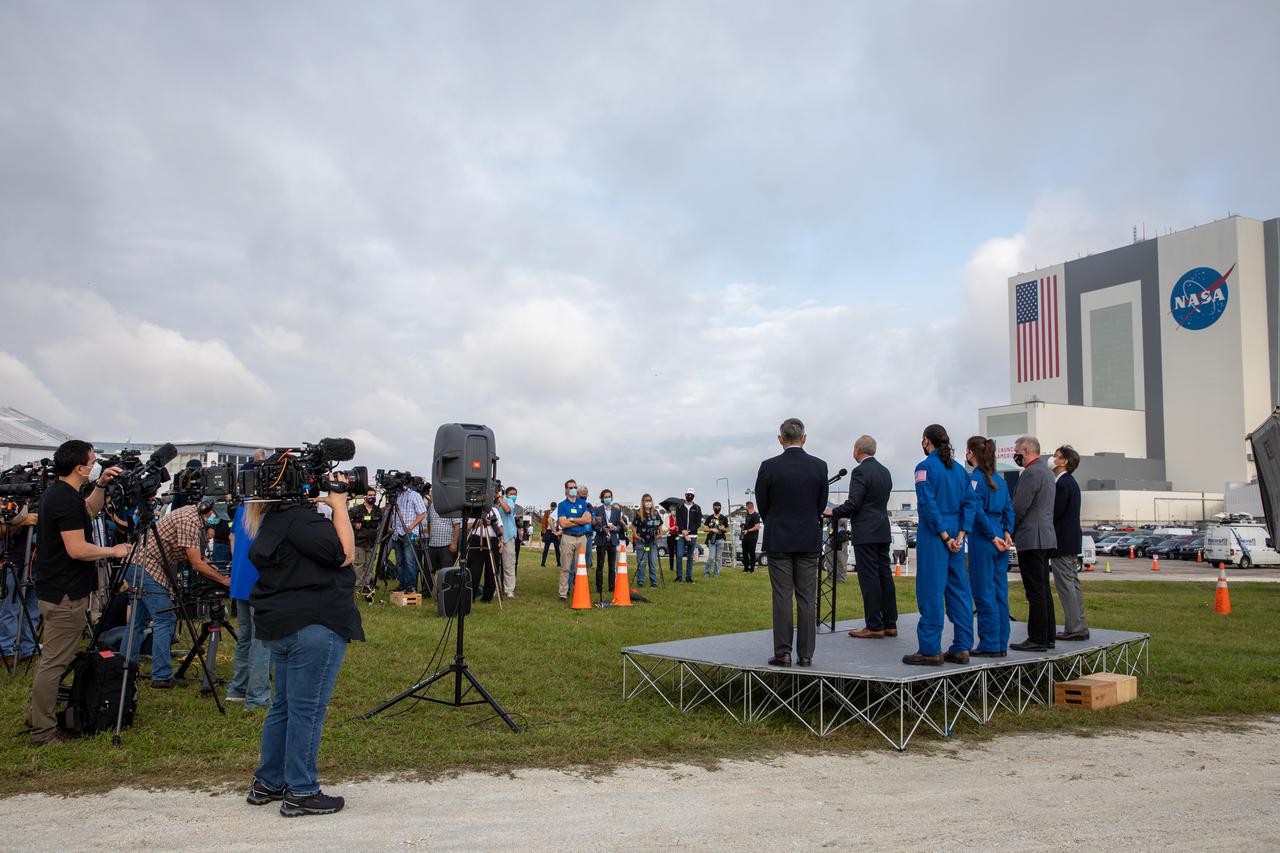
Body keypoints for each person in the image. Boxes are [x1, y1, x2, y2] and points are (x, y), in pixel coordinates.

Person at [245, 476, 362, 817]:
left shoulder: (273, 519)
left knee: (284, 706)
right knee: (306, 710)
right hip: (314, 625)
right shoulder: (302, 520)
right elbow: (345, 554)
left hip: (282, 625)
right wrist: (339, 506)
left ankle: (269, 781)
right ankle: (301, 790)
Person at [27, 440, 133, 746]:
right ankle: (41, 731)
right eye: (93, 461)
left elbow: (89, 509)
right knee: (54, 663)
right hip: (64, 593)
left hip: (57, 588)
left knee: (53, 659)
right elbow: (76, 549)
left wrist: (100, 484)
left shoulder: (62, 494)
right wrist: (113, 549)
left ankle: (39, 718)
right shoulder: (64, 500)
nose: (95, 464)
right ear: (79, 468)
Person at [118, 497, 232, 686]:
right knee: (165, 618)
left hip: (137, 565)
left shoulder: (191, 515)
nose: (215, 521)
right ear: (206, 510)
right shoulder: (189, 521)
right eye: (214, 516)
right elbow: (196, 563)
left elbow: (195, 557)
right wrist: (223, 579)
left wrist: (208, 566)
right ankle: (161, 676)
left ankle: (122, 669)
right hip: (146, 566)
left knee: (137, 621)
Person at [754, 418, 828, 667]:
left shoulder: (769, 467)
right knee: (807, 597)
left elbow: (762, 502)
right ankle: (806, 654)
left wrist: (775, 521)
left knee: (782, 597)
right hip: (808, 537)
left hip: (779, 538)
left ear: (780, 439)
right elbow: (820, 504)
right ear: (804, 438)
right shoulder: (819, 467)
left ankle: (783, 652)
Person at [904, 424, 974, 666]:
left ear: (926, 441)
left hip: (936, 535)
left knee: (931, 590)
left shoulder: (924, 468)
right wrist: (961, 534)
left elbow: (927, 505)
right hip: (957, 533)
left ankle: (930, 648)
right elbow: (970, 503)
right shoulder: (959, 471)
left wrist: (944, 536)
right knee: (959, 590)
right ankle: (963, 646)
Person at [825, 435, 897, 639]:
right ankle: (890, 622)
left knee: (869, 577)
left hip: (866, 531)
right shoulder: (885, 471)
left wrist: (834, 512)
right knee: (885, 575)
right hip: (882, 529)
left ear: (857, 450)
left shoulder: (860, 472)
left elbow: (854, 503)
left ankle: (874, 624)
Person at [961, 436, 1014, 657]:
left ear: (971, 453)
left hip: (985, 538)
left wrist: (992, 536)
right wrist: (1007, 532)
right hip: (1000, 534)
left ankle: (990, 643)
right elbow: (1009, 508)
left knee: (984, 592)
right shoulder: (1000, 481)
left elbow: (976, 510)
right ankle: (1002, 641)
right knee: (1000, 591)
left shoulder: (976, 478)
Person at [1010, 434, 1058, 652]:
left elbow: (1020, 506)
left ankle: (1037, 637)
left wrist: (1008, 530)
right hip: (1046, 536)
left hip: (1031, 537)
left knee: (1035, 591)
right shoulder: (1047, 473)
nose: (1015, 455)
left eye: (1017, 451)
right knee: (1044, 589)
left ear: (1026, 451)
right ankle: (1048, 635)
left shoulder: (1031, 473)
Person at [227, 502, 271, 708]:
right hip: (261, 582)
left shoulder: (243, 507)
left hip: (240, 580)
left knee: (244, 637)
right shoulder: (269, 509)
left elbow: (233, 538)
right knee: (261, 641)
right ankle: (257, 696)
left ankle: (238, 689)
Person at [1050, 445, 1089, 641]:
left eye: (1056, 456)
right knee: (1073, 584)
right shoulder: (1069, 482)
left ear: (1064, 461)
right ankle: (1079, 624)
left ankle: (1074, 627)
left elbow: (1054, 514)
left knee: (1066, 585)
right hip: (1071, 540)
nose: (1052, 459)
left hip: (1062, 541)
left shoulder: (1063, 484)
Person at [1, 508, 41, 668]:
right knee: (9, 608)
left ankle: (28, 649)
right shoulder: (12, 495)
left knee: (33, 610)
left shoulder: (51, 495)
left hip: (39, 560)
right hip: (13, 560)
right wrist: (22, 521)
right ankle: (6, 651)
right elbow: (3, 530)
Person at [556, 479, 592, 601]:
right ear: (566, 490)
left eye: (575, 487)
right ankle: (563, 593)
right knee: (566, 567)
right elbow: (563, 524)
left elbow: (587, 520)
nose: (573, 489)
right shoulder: (562, 505)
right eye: (570, 487)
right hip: (568, 537)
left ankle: (580, 591)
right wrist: (578, 520)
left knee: (580, 567)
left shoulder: (582, 503)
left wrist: (571, 519)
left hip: (582, 538)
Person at [389, 483, 428, 594]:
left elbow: (422, 513)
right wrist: (390, 526)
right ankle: (403, 584)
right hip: (397, 532)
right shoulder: (395, 495)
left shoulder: (415, 495)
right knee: (400, 560)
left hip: (410, 532)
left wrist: (411, 526)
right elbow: (393, 513)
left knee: (409, 559)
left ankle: (411, 586)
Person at [465, 500, 503, 602]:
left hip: (493, 541)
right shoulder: (475, 510)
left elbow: (500, 526)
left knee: (492, 570)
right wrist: (481, 522)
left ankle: (487, 597)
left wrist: (502, 541)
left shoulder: (494, 510)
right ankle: (470, 596)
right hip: (477, 540)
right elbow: (467, 526)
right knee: (474, 569)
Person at [349, 489, 382, 597]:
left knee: (369, 566)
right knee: (359, 566)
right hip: (359, 543)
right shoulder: (356, 510)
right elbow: (347, 521)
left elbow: (383, 522)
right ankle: (357, 589)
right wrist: (355, 525)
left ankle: (367, 587)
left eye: (374, 495)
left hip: (372, 543)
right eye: (370, 495)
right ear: (365, 497)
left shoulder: (378, 510)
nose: (372, 497)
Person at [424, 494, 461, 581]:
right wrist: (430, 536)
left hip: (446, 545)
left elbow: (457, 525)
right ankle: (426, 592)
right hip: (432, 544)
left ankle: (445, 591)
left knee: (446, 571)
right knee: (428, 570)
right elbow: (429, 522)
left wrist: (454, 544)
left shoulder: (451, 506)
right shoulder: (432, 505)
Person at [593, 489, 622, 594]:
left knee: (612, 566)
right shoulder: (598, 510)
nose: (607, 498)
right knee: (600, 565)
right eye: (605, 497)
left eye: (609, 496)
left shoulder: (617, 511)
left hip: (613, 541)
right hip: (601, 540)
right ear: (602, 499)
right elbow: (594, 526)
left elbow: (619, 526)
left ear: (612, 497)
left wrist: (615, 528)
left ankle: (611, 587)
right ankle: (599, 587)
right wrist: (601, 529)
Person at [631, 494, 663, 588]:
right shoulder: (638, 513)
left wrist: (660, 533)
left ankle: (654, 582)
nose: (648, 502)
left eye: (649, 500)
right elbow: (633, 525)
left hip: (652, 541)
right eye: (646, 500)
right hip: (641, 541)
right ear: (643, 501)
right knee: (642, 562)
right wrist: (635, 535)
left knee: (652, 562)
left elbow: (659, 524)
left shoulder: (655, 513)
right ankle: (640, 581)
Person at [495, 485, 519, 598]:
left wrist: (499, 498)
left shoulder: (508, 501)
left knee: (508, 564)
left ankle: (509, 589)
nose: (514, 496)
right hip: (496, 536)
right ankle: (497, 587)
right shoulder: (496, 503)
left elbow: (508, 510)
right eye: (512, 493)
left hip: (508, 537)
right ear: (506, 493)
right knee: (496, 565)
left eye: (515, 494)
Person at [674, 489, 702, 584]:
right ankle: (679, 576)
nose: (689, 496)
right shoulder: (680, 506)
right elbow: (678, 520)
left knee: (690, 556)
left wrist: (688, 532)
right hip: (681, 535)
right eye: (688, 494)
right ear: (685, 495)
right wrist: (684, 532)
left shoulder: (697, 508)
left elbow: (698, 523)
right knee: (679, 555)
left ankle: (688, 577)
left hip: (693, 536)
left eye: (691, 495)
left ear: (694, 496)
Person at [703, 502, 728, 578]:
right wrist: (712, 529)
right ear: (713, 508)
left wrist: (723, 528)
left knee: (718, 558)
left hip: (720, 539)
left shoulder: (724, 518)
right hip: (712, 539)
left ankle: (716, 573)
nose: (717, 508)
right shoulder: (709, 518)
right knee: (711, 557)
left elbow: (727, 529)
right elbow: (704, 528)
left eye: (718, 507)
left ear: (720, 508)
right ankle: (707, 573)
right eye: (715, 507)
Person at [577, 485, 595, 572]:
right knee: (578, 557)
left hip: (588, 535)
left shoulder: (589, 506)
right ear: (577, 494)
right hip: (578, 534)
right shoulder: (574, 505)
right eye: (582, 494)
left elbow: (593, 520)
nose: (584, 496)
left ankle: (585, 575)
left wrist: (596, 521)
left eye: (586, 494)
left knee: (588, 557)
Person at [740, 500, 761, 573]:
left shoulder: (756, 515)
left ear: (749, 506)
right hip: (745, 537)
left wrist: (748, 530)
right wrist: (743, 526)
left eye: (746, 506)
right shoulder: (747, 515)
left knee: (751, 553)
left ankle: (752, 569)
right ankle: (746, 568)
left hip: (752, 538)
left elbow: (757, 527)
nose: (745, 508)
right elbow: (748, 525)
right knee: (744, 553)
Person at [540, 501, 561, 567]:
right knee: (546, 549)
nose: (553, 508)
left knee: (557, 549)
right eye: (552, 507)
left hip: (555, 531)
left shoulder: (558, 513)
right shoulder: (547, 512)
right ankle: (543, 563)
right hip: (548, 531)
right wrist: (544, 531)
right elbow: (543, 522)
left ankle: (559, 563)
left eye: (554, 507)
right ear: (551, 507)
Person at [665, 510, 679, 577]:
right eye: (673, 510)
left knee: (678, 552)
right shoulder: (667, 517)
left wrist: (677, 527)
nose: (674, 511)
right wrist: (670, 528)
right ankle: (671, 567)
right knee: (671, 552)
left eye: (675, 510)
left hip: (677, 536)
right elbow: (664, 527)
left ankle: (678, 568)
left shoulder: (679, 517)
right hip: (670, 536)